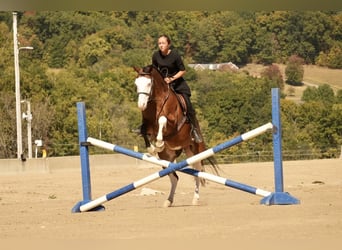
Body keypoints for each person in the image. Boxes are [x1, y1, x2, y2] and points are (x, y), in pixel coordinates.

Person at [136, 35, 203, 143]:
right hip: (162, 85)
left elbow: (182, 71)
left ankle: (194, 130)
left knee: (188, 105)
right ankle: (144, 126)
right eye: (159, 43)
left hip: (177, 84)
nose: (161, 45)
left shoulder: (175, 55)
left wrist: (171, 79)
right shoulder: (156, 55)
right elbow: (154, 71)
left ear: (168, 44)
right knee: (149, 102)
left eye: (163, 43)